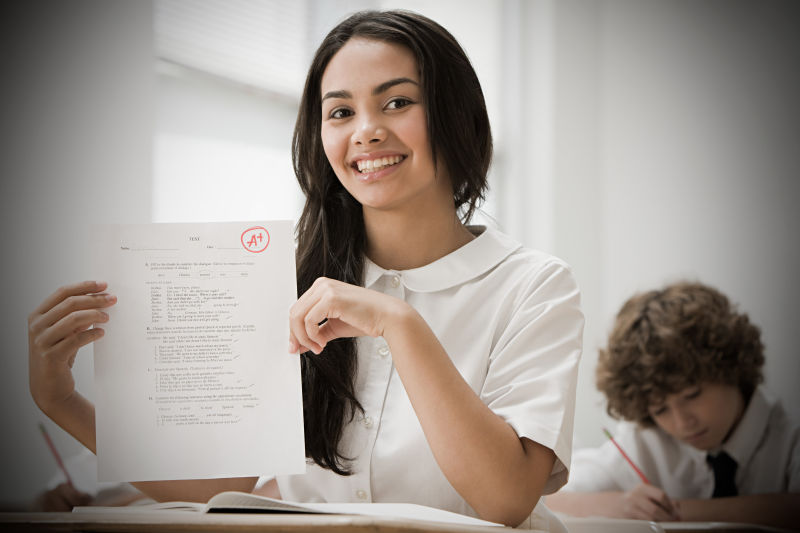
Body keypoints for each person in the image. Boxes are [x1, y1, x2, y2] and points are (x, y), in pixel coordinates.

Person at [27, 10, 583, 530]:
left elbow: (506, 498)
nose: (365, 131)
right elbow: (225, 486)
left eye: (397, 102)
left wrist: (399, 323)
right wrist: (63, 402)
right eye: (340, 111)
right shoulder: (280, 280)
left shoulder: (533, 286)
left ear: (454, 114)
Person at [546, 282, 800, 530]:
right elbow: (548, 496)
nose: (681, 423)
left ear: (732, 368)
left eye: (692, 395)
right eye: (660, 410)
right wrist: (618, 505)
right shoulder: (646, 442)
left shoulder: (790, 436)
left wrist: (676, 512)